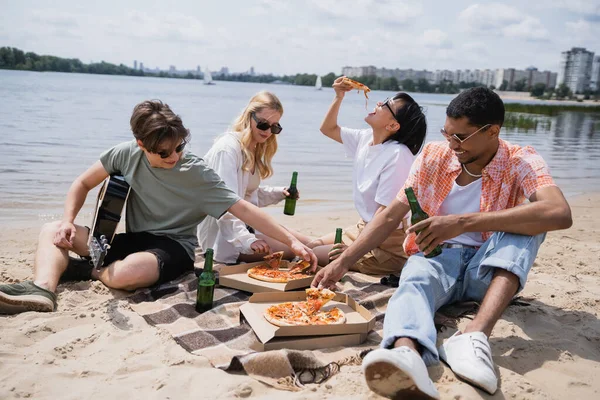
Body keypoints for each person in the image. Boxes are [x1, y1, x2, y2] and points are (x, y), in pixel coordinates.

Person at [312, 87, 572, 399]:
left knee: (527, 224)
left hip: (488, 269)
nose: (452, 144)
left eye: (461, 137)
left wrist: (462, 222)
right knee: (414, 278)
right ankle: (406, 354)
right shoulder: (435, 155)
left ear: (492, 132)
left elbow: (559, 213)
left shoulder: (521, 160)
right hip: (436, 259)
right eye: (447, 133)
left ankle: (475, 335)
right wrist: (342, 261)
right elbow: (390, 215)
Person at [0, 100, 316, 315]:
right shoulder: (124, 154)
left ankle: (85, 268)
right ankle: (43, 290)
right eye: (164, 153)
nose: (173, 156)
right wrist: (69, 220)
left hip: (173, 247)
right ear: (141, 144)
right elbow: (83, 183)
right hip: (133, 239)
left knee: (129, 272)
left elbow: (244, 210)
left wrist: (292, 241)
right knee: (51, 229)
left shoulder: (198, 173)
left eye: (179, 147)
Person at [308, 76, 426, 274]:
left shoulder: (398, 155)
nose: (379, 103)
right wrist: (339, 97)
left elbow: (385, 216)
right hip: (363, 228)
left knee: (310, 254)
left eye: (387, 105)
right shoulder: (365, 138)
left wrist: (350, 255)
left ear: (393, 126)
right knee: (310, 244)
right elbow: (328, 129)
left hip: (385, 243)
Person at [197, 91, 311, 264]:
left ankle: (351, 251)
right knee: (294, 250)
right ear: (248, 117)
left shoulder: (251, 149)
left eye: (274, 127)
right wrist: (247, 240)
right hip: (223, 237)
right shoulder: (227, 150)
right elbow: (226, 204)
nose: (268, 132)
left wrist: (280, 193)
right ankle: (348, 255)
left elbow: (248, 195)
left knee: (308, 242)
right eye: (264, 125)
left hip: (245, 226)